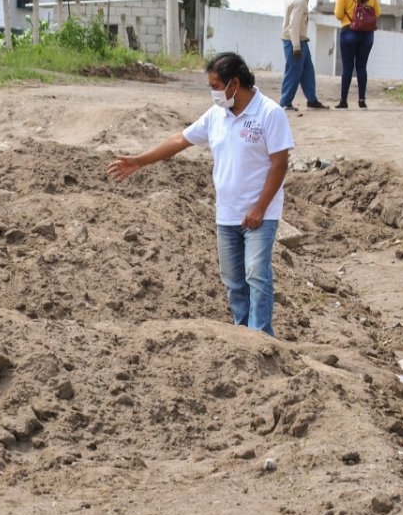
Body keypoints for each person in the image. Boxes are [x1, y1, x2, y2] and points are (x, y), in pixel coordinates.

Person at [107, 52, 293, 337]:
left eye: (217, 86)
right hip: (227, 214)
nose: (213, 93)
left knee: (256, 273)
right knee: (233, 280)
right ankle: (242, 333)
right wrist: (140, 160)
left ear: (235, 83)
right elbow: (179, 139)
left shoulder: (269, 113)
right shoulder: (215, 115)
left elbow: (280, 165)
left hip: (261, 213)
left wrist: (259, 208)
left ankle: (262, 337)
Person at [332, 0, 381, 109]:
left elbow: (338, 14)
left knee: (347, 67)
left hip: (349, 32)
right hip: (367, 34)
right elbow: (377, 13)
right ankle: (361, 100)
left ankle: (343, 100)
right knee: (362, 67)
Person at [281, 0, 328, 111]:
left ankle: (312, 100)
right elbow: (293, 25)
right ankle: (285, 102)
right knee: (293, 72)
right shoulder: (300, 1)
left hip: (300, 41)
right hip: (295, 42)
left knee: (308, 71)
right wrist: (296, 47)